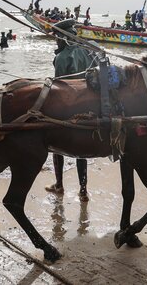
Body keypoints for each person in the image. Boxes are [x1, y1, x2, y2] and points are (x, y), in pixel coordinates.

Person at [45, 19, 95, 201]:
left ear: (63, 37)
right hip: (89, 108)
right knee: (80, 152)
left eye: (57, 38)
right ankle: (83, 190)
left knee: (56, 146)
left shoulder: (62, 58)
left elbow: (59, 90)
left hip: (69, 109)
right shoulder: (88, 50)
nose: (56, 41)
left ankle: (59, 185)